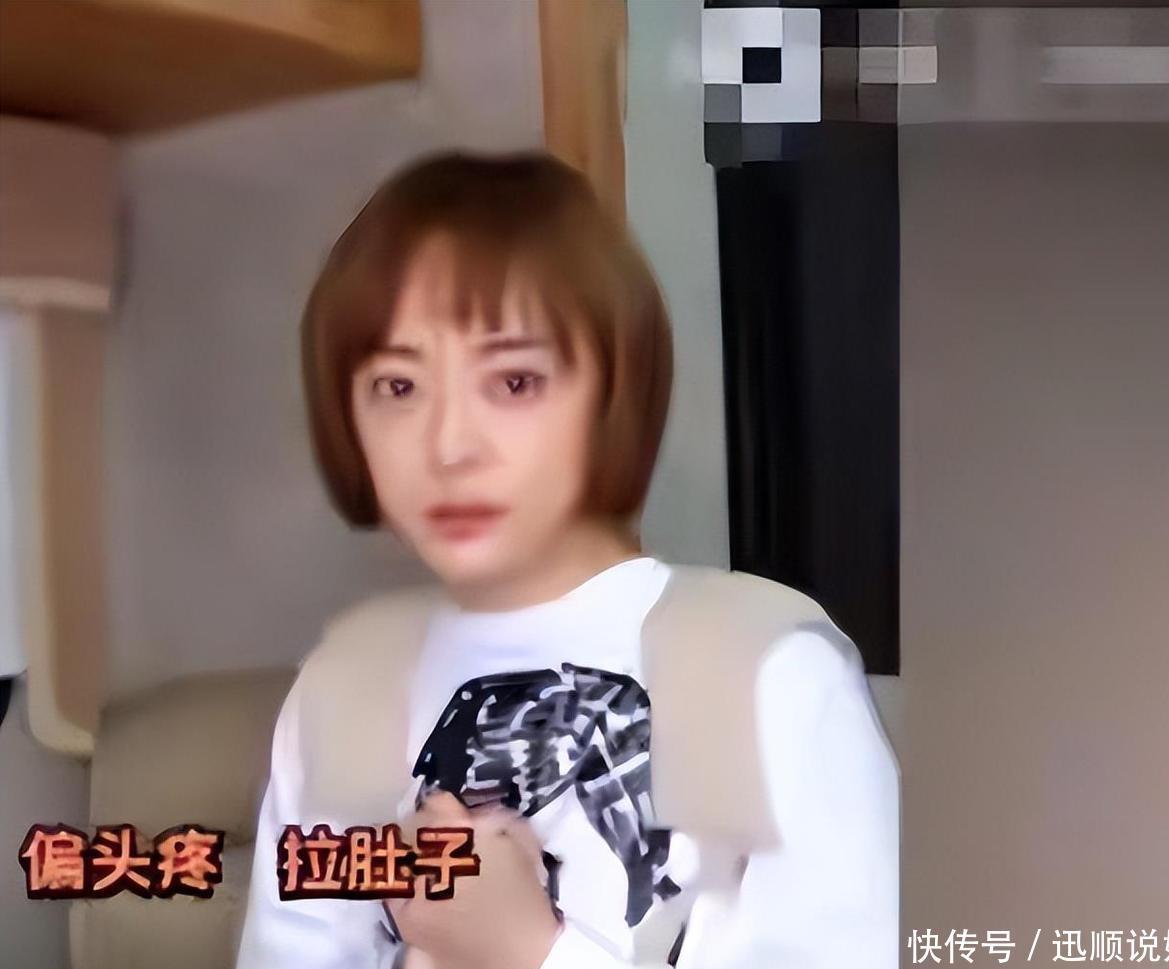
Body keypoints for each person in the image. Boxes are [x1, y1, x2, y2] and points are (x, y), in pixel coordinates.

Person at [235, 151, 899, 969]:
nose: (449, 445)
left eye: (514, 381)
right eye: (398, 387)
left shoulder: (771, 673)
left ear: (614, 391)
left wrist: (529, 949)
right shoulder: (338, 691)